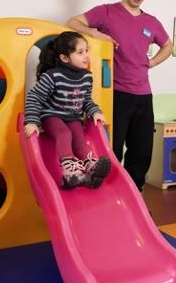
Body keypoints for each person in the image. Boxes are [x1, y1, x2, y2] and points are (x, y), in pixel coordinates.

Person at [67, 0, 172, 192]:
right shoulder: (106, 12)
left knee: (142, 151)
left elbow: (168, 45)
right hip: (115, 93)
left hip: (143, 95)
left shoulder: (151, 22)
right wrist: (95, 33)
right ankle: (108, 194)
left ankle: (134, 195)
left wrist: (151, 62)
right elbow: (73, 22)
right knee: (111, 148)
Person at [24, 31, 111, 190]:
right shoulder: (52, 76)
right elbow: (34, 97)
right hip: (51, 116)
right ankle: (70, 172)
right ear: (65, 58)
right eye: (80, 52)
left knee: (79, 140)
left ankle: (90, 168)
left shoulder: (87, 76)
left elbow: (85, 100)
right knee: (64, 134)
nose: (86, 55)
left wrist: (95, 111)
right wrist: (31, 121)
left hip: (73, 118)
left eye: (87, 51)